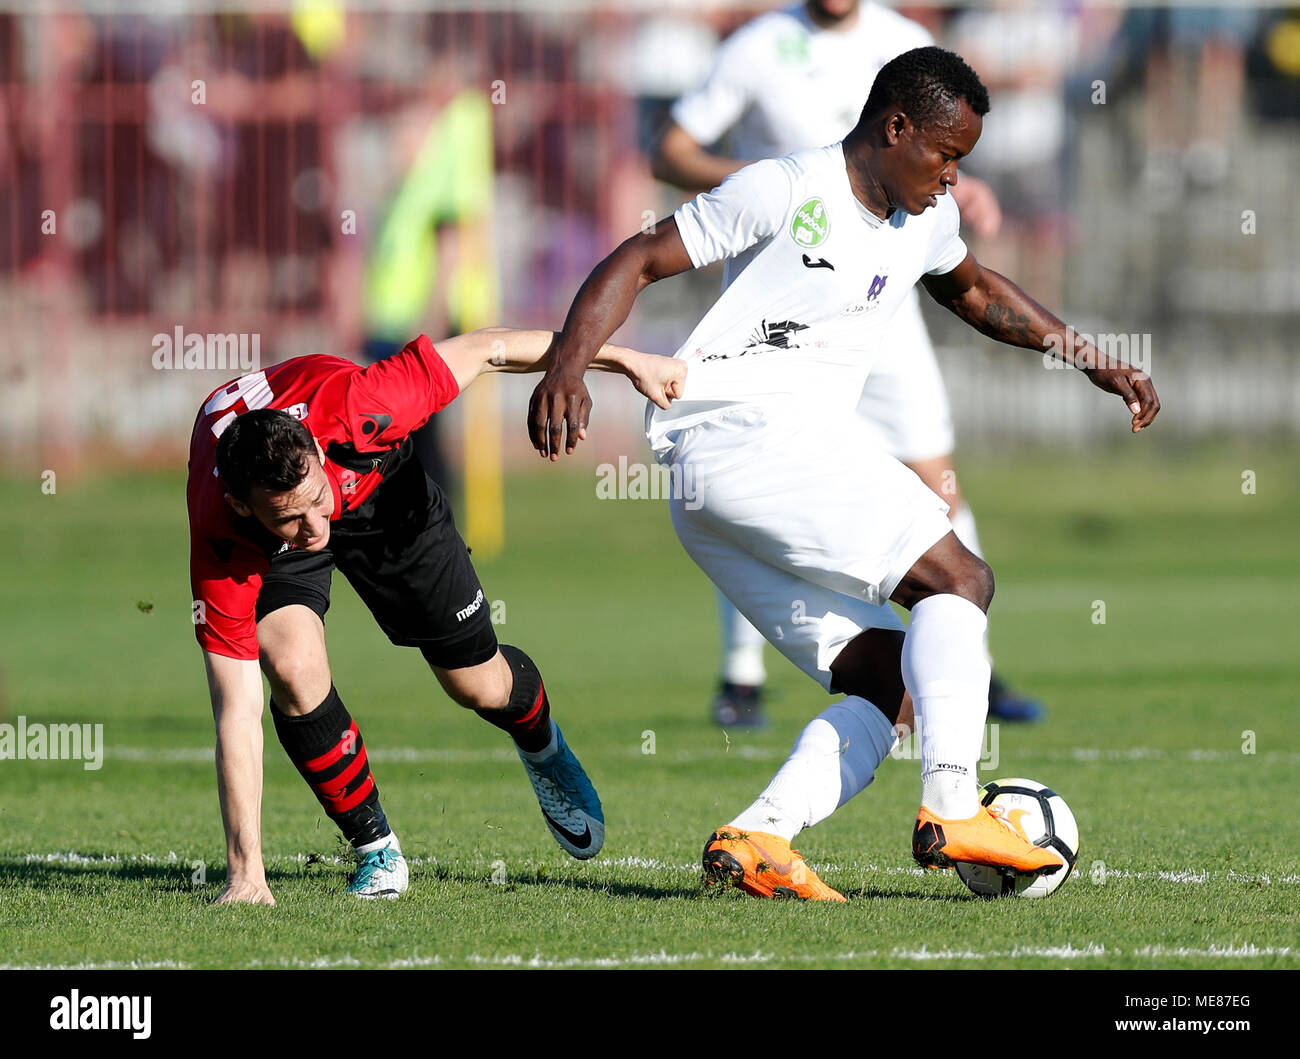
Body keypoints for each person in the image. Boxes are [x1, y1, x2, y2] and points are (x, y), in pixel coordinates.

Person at [529, 47, 1157, 900]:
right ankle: (952, 804)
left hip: (709, 490)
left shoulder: (923, 219)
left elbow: (977, 293)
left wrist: (1088, 356)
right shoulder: (785, 187)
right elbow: (640, 258)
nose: (951, 178)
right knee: (960, 578)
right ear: (895, 128)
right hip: (745, 440)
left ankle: (761, 835)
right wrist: (569, 363)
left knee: (894, 683)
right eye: (945, 154)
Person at [189, 328, 684, 904]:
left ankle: (543, 747)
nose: (315, 531)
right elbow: (237, 708)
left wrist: (627, 360)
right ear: (241, 506)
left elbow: (490, 347)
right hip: (274, 537)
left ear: (317, 457)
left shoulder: (366, 405)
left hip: (383, 493)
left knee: (477, 686)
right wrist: (245, 876)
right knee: (290, 662)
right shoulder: (222, 532)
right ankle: (375, 849)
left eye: (316, 502)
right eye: (290, 518)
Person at [652, 0, 1043, 729]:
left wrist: (955, 179)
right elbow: (668, 152)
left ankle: (968, 670)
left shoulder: (907, 44)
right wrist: (763, 183)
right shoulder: (759, 47)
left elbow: (943, 160)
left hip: (883, 307)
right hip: (788, 310)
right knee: (750, 473)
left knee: (936, 478)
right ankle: (742, 679)